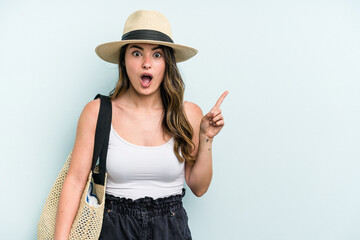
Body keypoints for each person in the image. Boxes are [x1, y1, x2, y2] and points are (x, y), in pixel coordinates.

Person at [54, 9, 228, 240]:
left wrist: (207, 137)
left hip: (171, 228)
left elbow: (199, 187)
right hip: (113, 227)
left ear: (167, 63)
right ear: (124, 60)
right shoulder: (98, 112)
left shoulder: (188, 114)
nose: (146, 64)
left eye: (157, 55)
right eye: (137, 54)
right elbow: (75, 181)